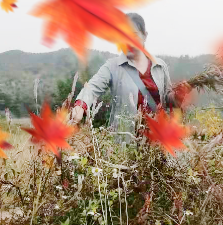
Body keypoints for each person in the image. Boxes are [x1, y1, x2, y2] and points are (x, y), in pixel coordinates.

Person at [70, 13, 178, 144]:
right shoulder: (113, 66)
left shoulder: (159, 65)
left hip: (156, 144)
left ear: (145, 36)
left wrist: (177, 96)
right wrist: (81, 105)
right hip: (125, 143)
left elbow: (167, 98)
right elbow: (92, 88)